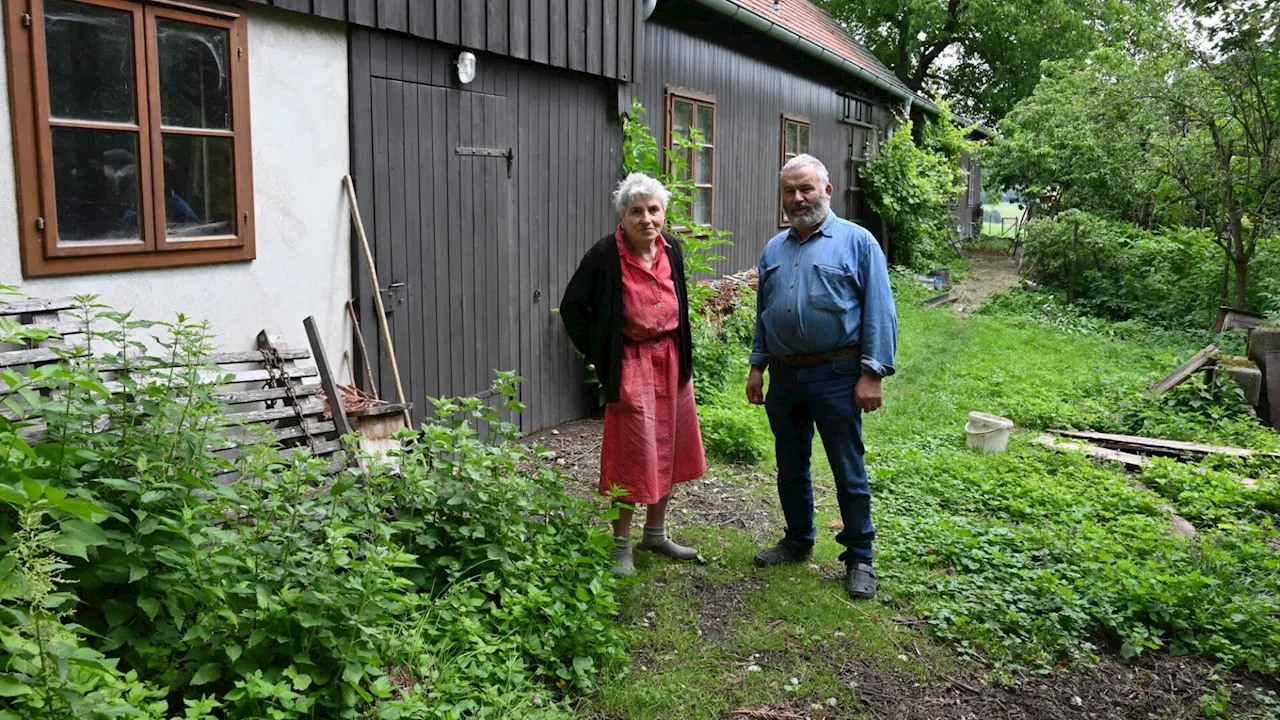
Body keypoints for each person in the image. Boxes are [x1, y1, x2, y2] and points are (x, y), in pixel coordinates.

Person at [745, 154, 897, 599]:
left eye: (806, 188)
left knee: (847, 468)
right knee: (790, 465)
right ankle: (797, 539)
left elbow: (880, 313)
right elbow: (765, 315)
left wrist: (872, 374)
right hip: (786, 376)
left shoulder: (858, 242)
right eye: (790, 191)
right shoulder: (774, 249)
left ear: (826, 191)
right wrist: (758, 367)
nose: (797, 198)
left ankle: (859, 557)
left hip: (837, 373)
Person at [561, 172, 708, 576]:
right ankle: (621, 542)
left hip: (672, 360)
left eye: (654, 210)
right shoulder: (605, 255)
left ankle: (655, 534)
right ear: (622, 218)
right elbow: (572, 308)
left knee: (673, 446)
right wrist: (598, 353)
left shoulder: (671, 249)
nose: (647, 218)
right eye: (637, 211)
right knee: (632, 453)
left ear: (663, 213)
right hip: (632, 362)